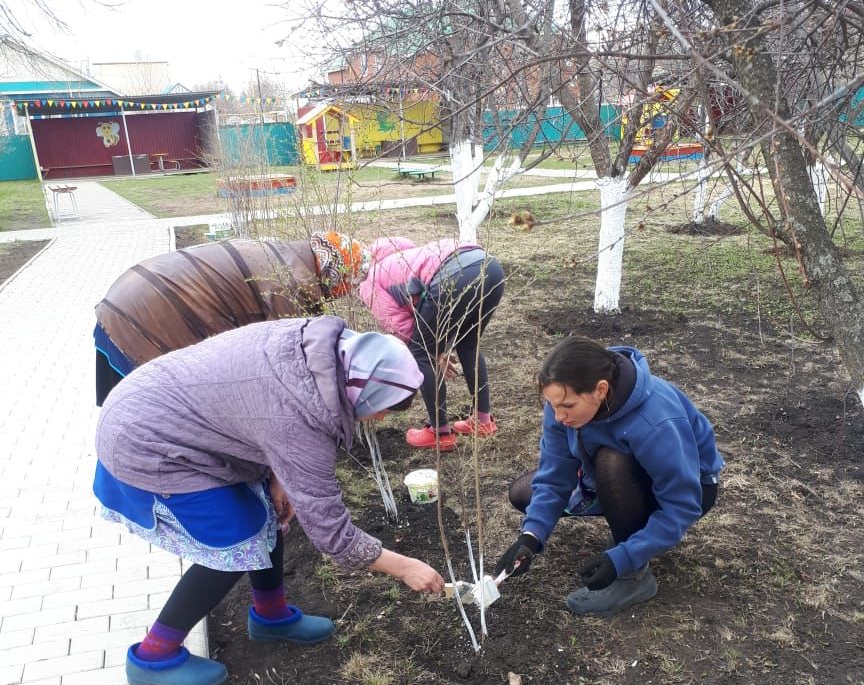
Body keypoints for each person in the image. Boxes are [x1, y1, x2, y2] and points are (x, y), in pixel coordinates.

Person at [94, 315, 445, 685]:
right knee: (234, 542)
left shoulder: (312, 351)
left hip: (164, 411)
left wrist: (278, 477)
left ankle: (271, 616)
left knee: (268, 514)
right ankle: (154, 656)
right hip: (147, 442)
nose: (378, 419)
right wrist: (405, 567)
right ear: (364, 390)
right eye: (383, 409)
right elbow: (331, 533)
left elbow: (258, 408)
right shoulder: (300, 421)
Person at [496, 335, 723, 616]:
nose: (557, 416)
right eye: (552, 405)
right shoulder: (563, 403)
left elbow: (683, 504)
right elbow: (554, 477)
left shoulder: (655, 420)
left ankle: (634, 578)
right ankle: (623, 515)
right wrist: (530, 537)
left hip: (689, 491)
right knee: (524, 493)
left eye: (566, 407)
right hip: (605, 477)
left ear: (601, 390)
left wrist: (621, 559)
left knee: (612, 462)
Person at [94, 231, 370, 404]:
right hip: (143, 326)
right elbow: (282, 368)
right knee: (145, 417)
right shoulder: (289, 288)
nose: (342, 294)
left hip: (126, 300)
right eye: (347, 286)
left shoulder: (283, 255)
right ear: (336, 276)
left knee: (125, 408)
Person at [356, 236, 505, 450]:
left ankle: (440, 432)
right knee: (469, 343)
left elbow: (402, 329)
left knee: (419, 353)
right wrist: (439, 348)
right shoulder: (403, 256)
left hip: (455, 275)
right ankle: (482, 421)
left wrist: (433, 352)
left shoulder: (369, 282)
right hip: (489, 265)